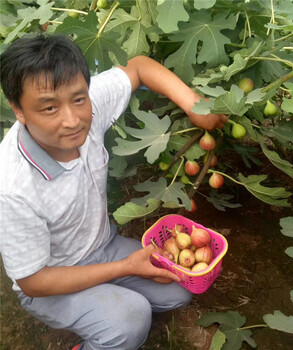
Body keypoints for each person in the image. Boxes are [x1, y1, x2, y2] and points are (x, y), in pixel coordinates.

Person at [0, 34, 227, 350]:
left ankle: (107, 302)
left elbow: (138, 68)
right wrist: (125, 268)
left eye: (79, 99)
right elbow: (33, 282)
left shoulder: (83, 106)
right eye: (49, 108)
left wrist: (193, 104)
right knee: (131, 319)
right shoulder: (12, 189)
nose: (72, 120)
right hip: (52, 281)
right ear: (19, 110)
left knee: (179, 288)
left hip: (102, 246)